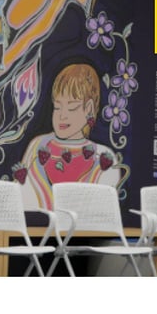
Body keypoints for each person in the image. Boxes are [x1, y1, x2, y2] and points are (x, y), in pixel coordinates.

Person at [16, 63, 124, 210]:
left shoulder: (103, 158)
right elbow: (19, 201)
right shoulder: (37, 147)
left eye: (72, 107)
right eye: (57, 107)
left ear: (89, 109)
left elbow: (102, 215)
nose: (62, 115)